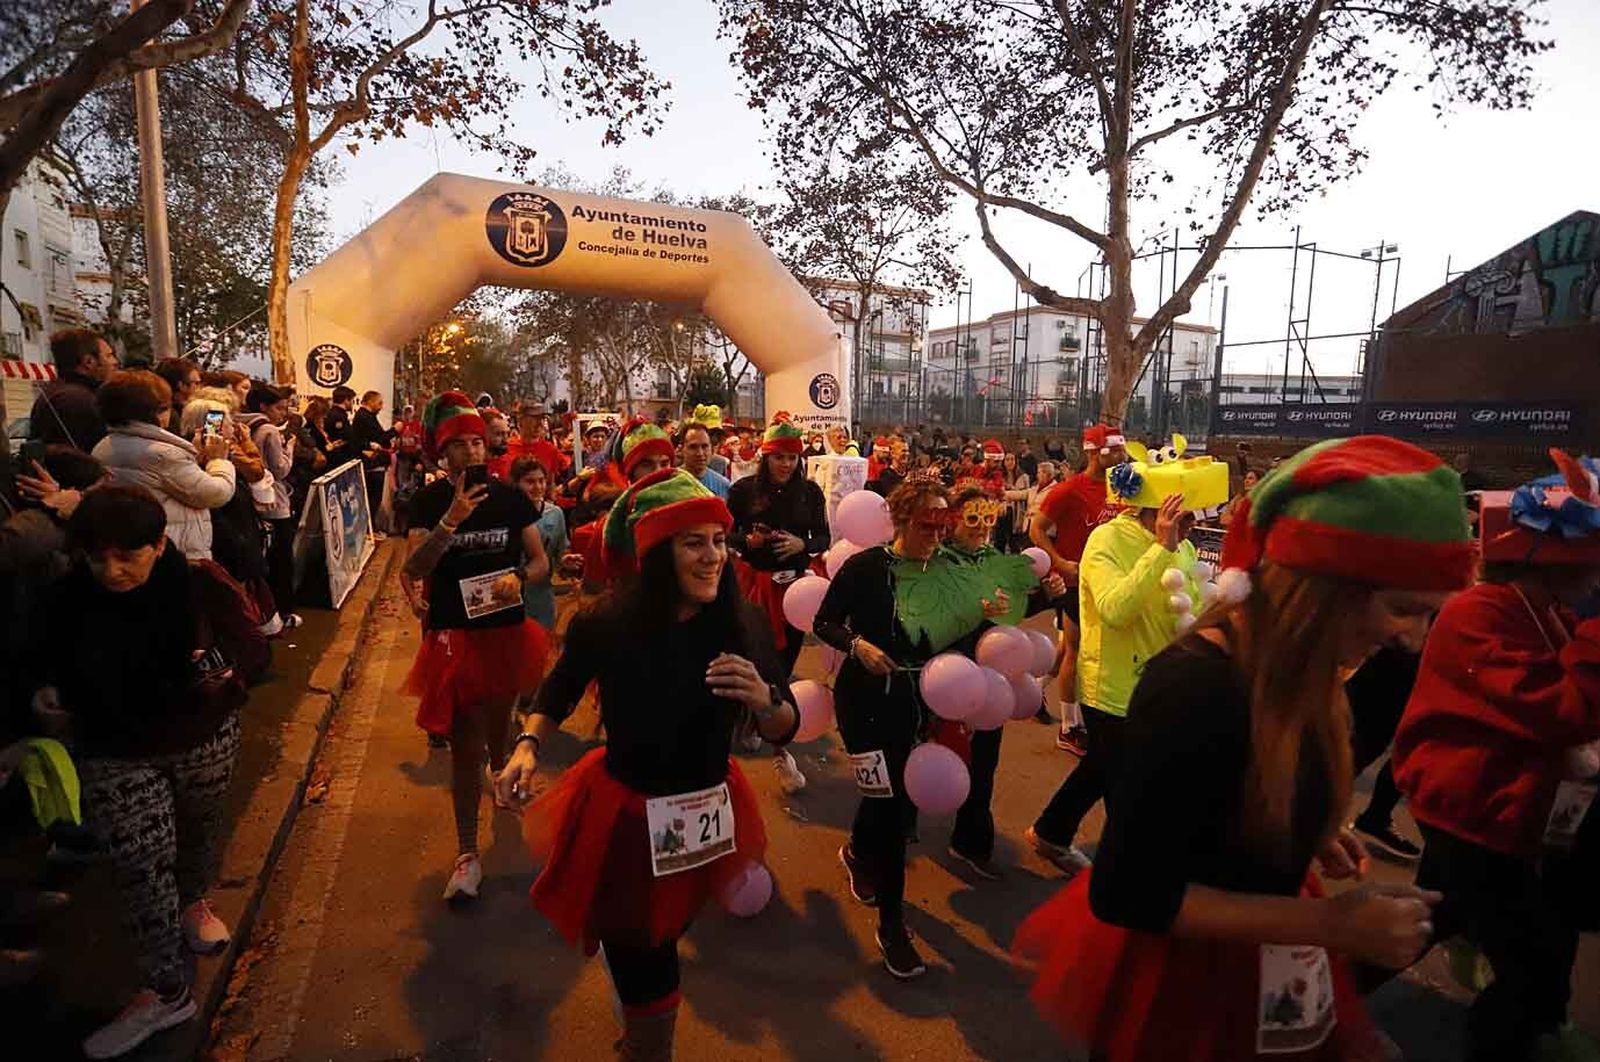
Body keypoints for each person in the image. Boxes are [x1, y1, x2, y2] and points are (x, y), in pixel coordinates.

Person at [1014, 434, 1476, 1061]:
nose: (1415, 640)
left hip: (1268, 952)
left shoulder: (1295, 668)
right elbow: (1127, 893)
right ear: (1320, 591)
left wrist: (1301, 826)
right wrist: (1335, 925)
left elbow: (1233, 786)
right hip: (1189, 985)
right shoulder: (1195, 687)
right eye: (1403, 610)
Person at [496, 469, 798, 1060]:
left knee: (671, 927)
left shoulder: (743, 624)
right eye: (694, 543)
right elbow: (558, 691)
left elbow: (785, 726)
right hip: (626, 818)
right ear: (658, 552)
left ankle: (638, 1028)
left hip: (707, 811)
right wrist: (527, 745)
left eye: (719, 541)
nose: (713, 557)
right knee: (647, 962)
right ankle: (646, 1043)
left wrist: (765, 700)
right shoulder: (607, 623)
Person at [28, 484, 268, 1060]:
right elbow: (36, 661)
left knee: (198, 836)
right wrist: (44, 694)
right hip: (113, 750)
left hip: (201, 739)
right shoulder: (63, 599)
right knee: (139, 861)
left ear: (159, 544)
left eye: (127, 554)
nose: (112, 570)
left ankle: (194, 903)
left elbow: (254, 650)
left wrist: (222, 680)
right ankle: (165, 988)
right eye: (97, 556)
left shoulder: (199, 585)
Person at [1392, 454, 1600, 1062]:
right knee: (1521, 951)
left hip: (1507, 811)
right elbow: (1564, 709)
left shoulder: (1542, 611)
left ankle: (1537, 1021)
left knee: (1468, 919)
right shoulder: (1477, 612)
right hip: (1470, 809)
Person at [812, 480, 1004, 979]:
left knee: (894, 805)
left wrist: (984, 620)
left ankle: (859, 854)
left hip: (919, 702)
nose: (935, 537)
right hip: (863, 704)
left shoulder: (946, 570)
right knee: (888, 805)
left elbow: (957, 637)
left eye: (943, 527)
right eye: (926, 526)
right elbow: (824, 622)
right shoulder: (865, 567)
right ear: (900, 521)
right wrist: (858, 646)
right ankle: (893, 926)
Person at [400, 392, 550, 900]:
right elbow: (413, 568)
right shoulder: (427, 501)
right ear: (443, 455)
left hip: (506, 633)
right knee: (464, 747)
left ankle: (503, 777)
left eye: (477, 442)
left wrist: (518, 581)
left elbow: (539, 563)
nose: (472, 452)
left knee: (499, 730)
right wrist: (451, 522)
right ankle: (467, 854)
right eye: (460, 444)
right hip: (453, 639)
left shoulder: (510, 499)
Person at [1025, 470, 1205, 875]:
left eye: (1195, 514)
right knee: (1131, 786)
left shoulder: (1186, 546)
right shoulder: (1107, 540)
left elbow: (1192, 610)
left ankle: (1052, 832)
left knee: (1103, 765)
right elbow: (1116, 610)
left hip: (1163, 685)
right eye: (1184, 514)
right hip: (1113, 688)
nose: (1193, 523)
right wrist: (1161, 547)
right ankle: (1123, 883)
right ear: (1154, 508)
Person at [943, 485, 1067, 880]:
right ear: (953, 519)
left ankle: (971, 842)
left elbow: (1007, 616)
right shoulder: (935, 560)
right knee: (926, 754)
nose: (981, 527)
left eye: (988, 518)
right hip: (942, 677)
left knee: (983, 763)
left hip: (989, 681)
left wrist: (1047, 597)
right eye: (972, 518)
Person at [727, 415, 829, 794]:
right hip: (754, 585)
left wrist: (803, 545)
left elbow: (823, 535)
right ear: (766, 457)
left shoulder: (811, 493)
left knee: (784, 663)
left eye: (792, 458)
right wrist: (746, 542)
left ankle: (765, 725)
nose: (786, 464)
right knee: (755, 655)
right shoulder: (743, 491)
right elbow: (726, 533)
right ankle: (763, 730)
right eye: (778, 457)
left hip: (797, 592)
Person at [1030, 424, 1125, 750]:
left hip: (1110, 583)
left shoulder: (1123, 487)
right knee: (1077, 649)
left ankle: (1033, 688)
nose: (1121, 455)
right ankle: (1070, 728)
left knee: (1073, 648)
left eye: (1121, 448)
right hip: (1076, 584)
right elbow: (1036, 529)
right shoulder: (1070, 490)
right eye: (1113, 449)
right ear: (1092, 452)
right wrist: (1060, 562)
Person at [92, 371, 235, 561]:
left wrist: (195, 459)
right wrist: (219, 461)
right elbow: (215, 493)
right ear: (155, 411)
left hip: (135, 547)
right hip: (174, 551)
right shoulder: (163, 453)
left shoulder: (104, 445)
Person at [242, 384, 302, 631]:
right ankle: (283, 611)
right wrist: (290, 448)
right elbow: (280, 469)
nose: (283, 413)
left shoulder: (244, 426)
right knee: (281, 560)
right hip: (274, 501)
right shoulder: (269, 431)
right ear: (263, 407)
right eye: (278, 408)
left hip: (252, 500)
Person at [30, 328, 119, 449]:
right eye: (109, 356)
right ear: (89, 362)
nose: (115, 362)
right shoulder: (82, 401)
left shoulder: (52, 394)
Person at [509, 455, 568, 630]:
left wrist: (566, 561)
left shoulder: (555, 514)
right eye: (530, 482)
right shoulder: (505, 514)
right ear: (516, 484)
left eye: (542, 481)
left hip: (542, 597)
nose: (538, 487)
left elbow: (560, 555)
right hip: (511, 597)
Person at [350, 390, 395, 528]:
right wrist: (395, 430)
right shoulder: (365, 417)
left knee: (374, 498)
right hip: (371, 465)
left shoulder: (367, 416)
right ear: (370, 401)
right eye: (379, 403)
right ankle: (370, 528)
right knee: (372, 498)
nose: (381, 407)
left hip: (375, 463)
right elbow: (380, 438)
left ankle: (371, 527)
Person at [679, 421, 730, 499]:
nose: (700, 453)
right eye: (693, 447)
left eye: (704, 446)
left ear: (711, 449)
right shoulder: (669, 482)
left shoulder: (723, 485)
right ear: (682, 449)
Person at [152, 358, 203, 427]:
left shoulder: (157, 409)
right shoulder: (171, 417)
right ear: (181, 385)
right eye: (196, 383)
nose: (200, 388)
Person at [324, 385, 356, 459]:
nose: (352, 403)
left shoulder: (333, 413)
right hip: (340, 456)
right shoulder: (339, 416)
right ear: (346, 400)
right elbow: (345, 436)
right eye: (351, 400)